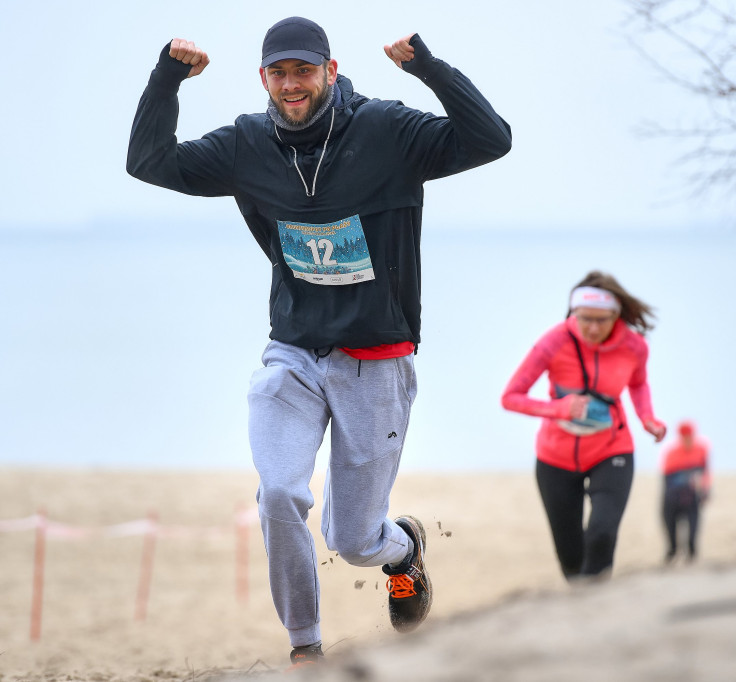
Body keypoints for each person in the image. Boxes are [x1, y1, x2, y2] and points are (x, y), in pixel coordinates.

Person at [127, 17, 511, 666]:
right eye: (279, 72)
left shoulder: (388, 130)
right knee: (278, 493)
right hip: (293, 353)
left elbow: (490, 140)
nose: (291, 84)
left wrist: (429, 69)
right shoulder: (247, 144)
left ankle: (404, 552)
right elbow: (149, 163)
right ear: (263, 79)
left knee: (354, 538)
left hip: (375, 363)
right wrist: (168, 77)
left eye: (304, 70)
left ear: (331, 71)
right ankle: (306, 647)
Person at [501, 271, 667, 582]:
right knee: (571, 556)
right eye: (584, 318)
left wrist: (648, 418)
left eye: (601, 320)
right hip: (555, 457)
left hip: (612, 449)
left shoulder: (634, 346)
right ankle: (581, 607)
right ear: (572, 313)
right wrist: (558, 408)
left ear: (616, 315)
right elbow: (510, 397)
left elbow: (639, 384)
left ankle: (597, 608)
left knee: (602, 534)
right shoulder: (553, 342)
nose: (592, 327)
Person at [660, 420, 710, 563]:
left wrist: (705, 491)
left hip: (692, 495)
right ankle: (672, 551)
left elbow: (705, 472)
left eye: (690, 436)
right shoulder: (671, 453)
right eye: (685, 436)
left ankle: (692, 553)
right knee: (669, 525)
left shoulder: (701, 449)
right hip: (672, 496)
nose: (688, 439)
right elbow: (666, 479)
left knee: (693, 525)